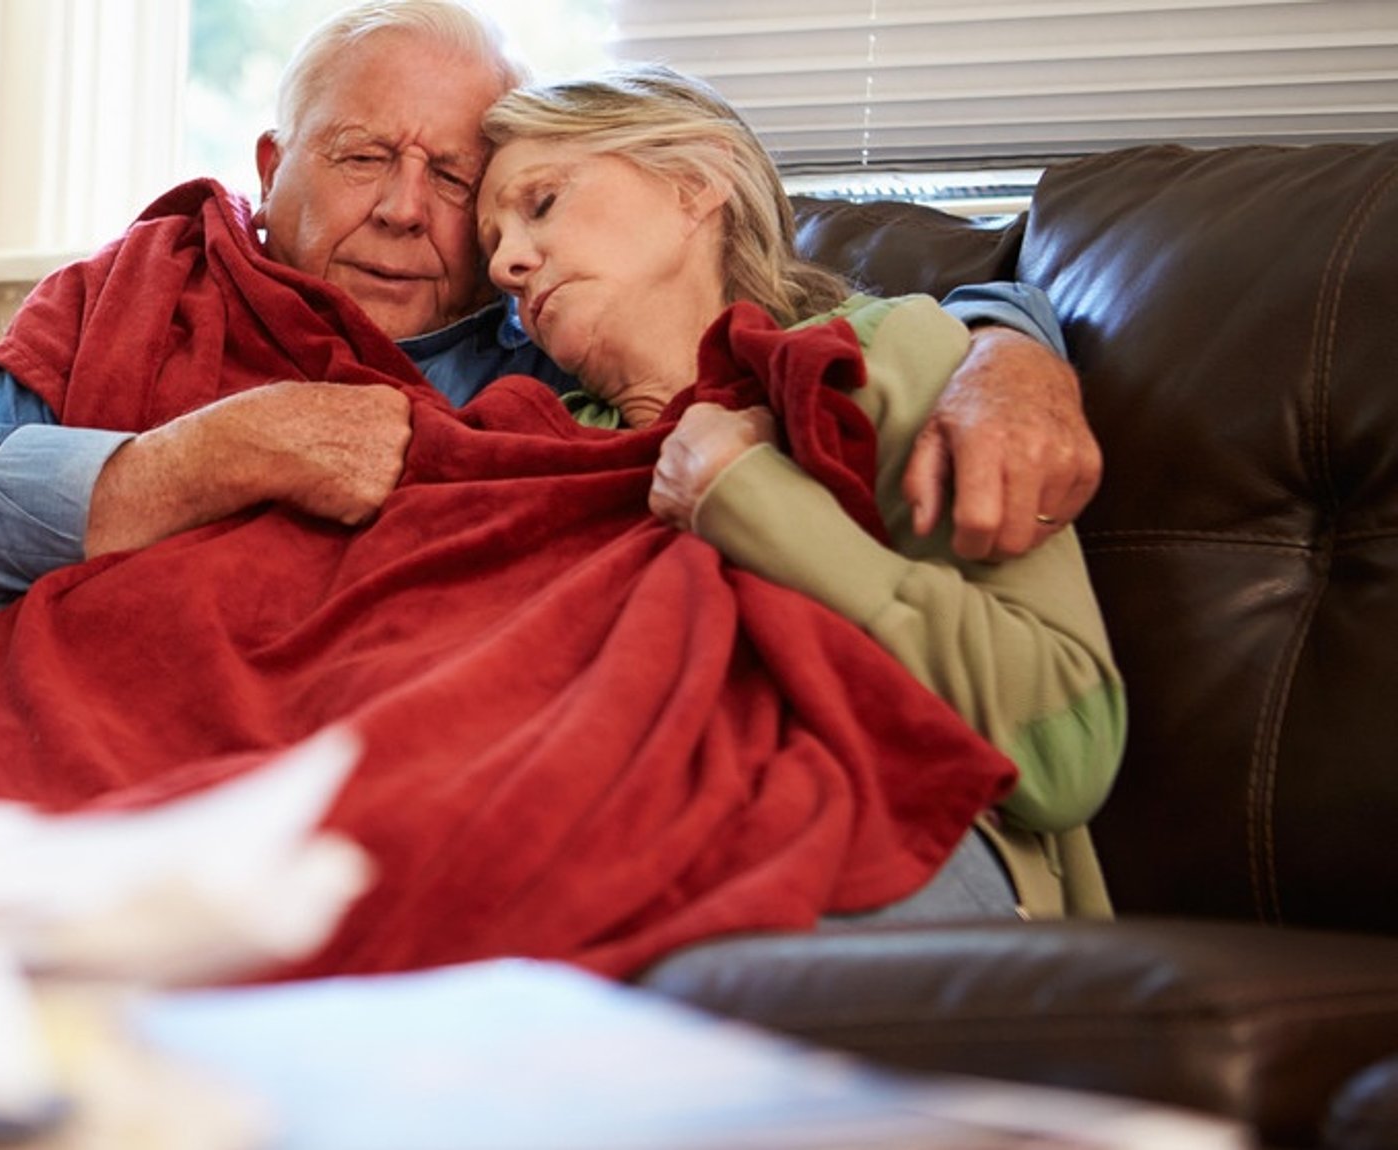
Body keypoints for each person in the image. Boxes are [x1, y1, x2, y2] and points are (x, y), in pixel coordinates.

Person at [0, 0, 1099, 658]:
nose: (406, 211)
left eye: (455, 178)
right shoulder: (130, 291)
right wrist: (219, 453)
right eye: (358, 159)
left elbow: (798, 311)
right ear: (272, 165)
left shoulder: (545, 331)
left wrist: (1014, 354)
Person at [474, 62, 1124, 919]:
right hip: (619, 841)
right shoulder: (532, 441)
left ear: (694, 183)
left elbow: (1065, 757)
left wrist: (751, 500)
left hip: (906, 843)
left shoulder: (888, 355)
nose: (508, 266)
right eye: (491, 247)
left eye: (542, 203)